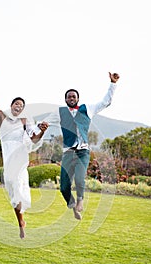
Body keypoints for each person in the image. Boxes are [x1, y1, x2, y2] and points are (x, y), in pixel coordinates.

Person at [0, 75, 49, 238]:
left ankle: (21, 223)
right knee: (12, 189)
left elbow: (34, 139)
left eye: (21, 106)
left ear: (23, 110)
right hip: (9, 160)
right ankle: (21, 221)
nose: (18, 106)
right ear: (11, 106)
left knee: (16, 187)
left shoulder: (25, 124)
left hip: (20, 159)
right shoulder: (3, 118)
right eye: (16, 104)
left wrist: (42, 130)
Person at [48, 72, 120, 220]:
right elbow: (44, 123)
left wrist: (113, 83)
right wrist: (34, 128)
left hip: (82, 152)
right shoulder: (59, 112)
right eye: (69, 96)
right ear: (65, 99)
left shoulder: (88, 108)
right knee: (64, 187)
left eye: (74, 96)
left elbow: (106, 102)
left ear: (78, 99)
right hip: (68, 152)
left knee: (80, 179)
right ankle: (73, 206)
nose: (71, 98)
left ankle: (80, 198)